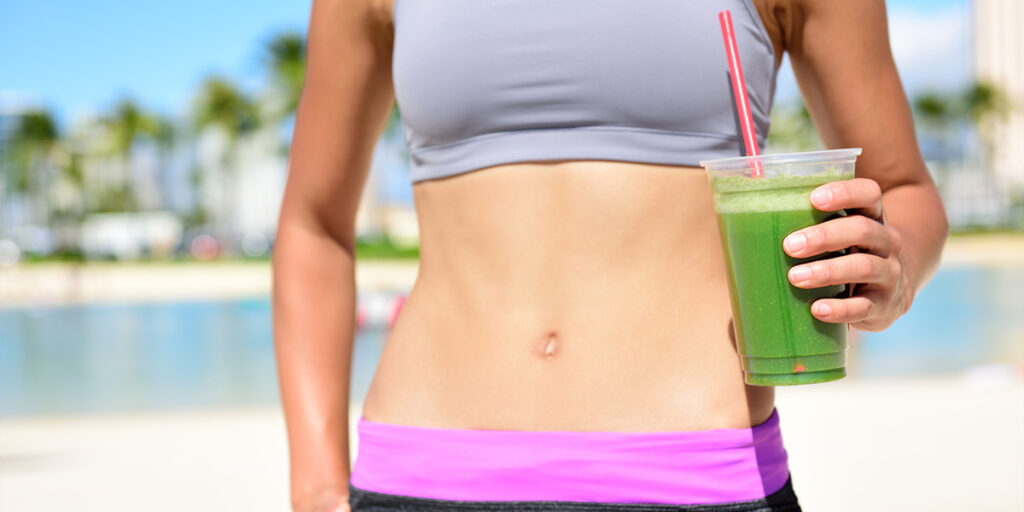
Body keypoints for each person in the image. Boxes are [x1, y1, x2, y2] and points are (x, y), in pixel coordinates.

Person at [272, 0, 949, 510]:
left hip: (700, 480)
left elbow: (905, 189)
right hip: (417, 475)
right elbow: (313, 223)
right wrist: (317, 483)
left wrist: (894, 269)